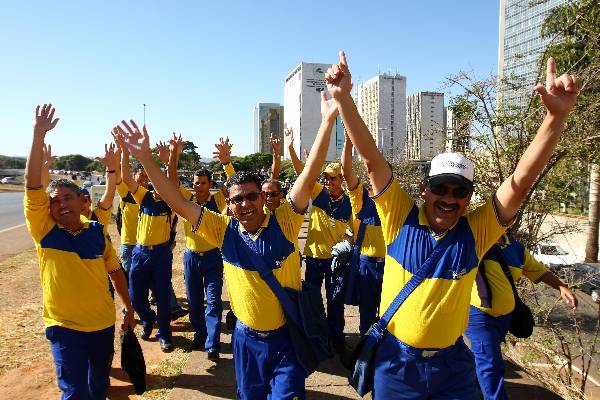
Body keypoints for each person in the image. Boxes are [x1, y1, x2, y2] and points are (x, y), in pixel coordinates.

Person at [327, 51, 581, 399]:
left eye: (459, 190)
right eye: (440, 187)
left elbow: (520, 183)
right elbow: (371, 161)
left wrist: (555, 118)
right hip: (397, 365)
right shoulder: (399, 216)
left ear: (468, 198)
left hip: (453, 368)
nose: (449, 197)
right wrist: (343, 99)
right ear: (424, 190)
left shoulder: (477, 231)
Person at [116, 90, 339, 399]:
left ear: (263, 198)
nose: (245, 203)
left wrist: (328, 121)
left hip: (287, 337)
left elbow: (311, 170)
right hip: (246, 341)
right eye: (237, 199)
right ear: (229, 205)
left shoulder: (286, 220)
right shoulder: (221, 229)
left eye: (251, 196)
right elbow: (177, 200)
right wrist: (144, 158)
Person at [24, 104, 135, 399]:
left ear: (80, 200)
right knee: (74, 391)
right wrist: (37, 136)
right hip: (63, 327)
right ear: (48, 208)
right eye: (56, 201)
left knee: (98, 387)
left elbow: (115, 271)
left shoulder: (96, 231)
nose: (62, 204)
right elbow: (32, 184)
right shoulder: (44, 231)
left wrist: (128, 305)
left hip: (101, 324)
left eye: (68, 198)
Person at [467, 234, 577, 399]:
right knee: (490, 363)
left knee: (487, 358)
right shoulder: (475, 240)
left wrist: (560, 286)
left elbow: (538, 270)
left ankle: (473, 390)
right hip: (478, 316)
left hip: (504, 318)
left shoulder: (516, 249)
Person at [287, 126, 353, 355]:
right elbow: (302, 174)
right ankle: (317, 338)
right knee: (314, 302)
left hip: (336, 262)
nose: (328, 182)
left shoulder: (350, 203)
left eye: (332, 178)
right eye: (325, 178)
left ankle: (337, 340)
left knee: (336, 303)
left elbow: (355, 232)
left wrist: (348, 243)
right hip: (314, 259)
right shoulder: (320, 194)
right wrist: (290, 149)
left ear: (342, 179)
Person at [115, 128, 180, 352]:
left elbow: (172, 180)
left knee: (162, 296)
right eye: (157, 184)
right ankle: (148, 319)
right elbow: (125, 177)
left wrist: (172, 157)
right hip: (140, 253)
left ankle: (165, 334)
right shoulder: (144, 197)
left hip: (161, 254)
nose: (161, 187)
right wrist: (124, 151)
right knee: (135, 296)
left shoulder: (172, 203)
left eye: (164, 185)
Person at [167, 135, 228, 359]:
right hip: (191, 258)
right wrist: (174, 154)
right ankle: (200, 335)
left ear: (210, 185)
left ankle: (212, 344)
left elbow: (232, 184)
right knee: (194, 301)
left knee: (213, 302)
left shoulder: (218, 201)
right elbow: (171, 180)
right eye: (195, 182)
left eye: (202, 183)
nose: (198, 186)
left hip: (213, 258)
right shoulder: (186, 199)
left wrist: (226, 162)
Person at [340, 134, 386, 335]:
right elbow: (346, 171)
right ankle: (366, 352)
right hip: (367, 263)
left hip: (391, 264)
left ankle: (384, 353)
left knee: (389, 312)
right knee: (367, 313)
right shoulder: (361, 201)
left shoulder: (395, 205)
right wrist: (349, 142)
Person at [262, 133, 285, 211]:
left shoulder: (288, 210)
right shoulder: (258, 212)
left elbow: (274, 177)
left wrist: (277, 153)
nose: (269, 198)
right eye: (264, 194)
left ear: (281, 195)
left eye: (273, 194)